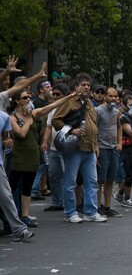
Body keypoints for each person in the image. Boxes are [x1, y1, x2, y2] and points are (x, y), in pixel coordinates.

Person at [9, 88, 74, 227]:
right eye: (24, 98)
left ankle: (25, 215)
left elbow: (51, 106)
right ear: (17, 101)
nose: (28, 100)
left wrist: (69, 97)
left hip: (33, 154)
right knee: (13, 186)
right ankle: (11, 215)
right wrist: (27, 119)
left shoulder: (32, 113)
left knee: (27, 186)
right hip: (19, 156)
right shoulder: (12, 117)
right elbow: (21, 133)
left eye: (28, 98)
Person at [51, 73, 107, 223]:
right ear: (76, 87)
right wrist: (70, 130)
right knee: (70, 182)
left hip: (89, 148)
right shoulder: (69, 101)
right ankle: (70, 212)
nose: (86, 87)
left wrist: (95, 145)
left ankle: (90, 212)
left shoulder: (89, 103)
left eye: (88, 85)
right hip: (74, 147)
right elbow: (56, 120)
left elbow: (94, 125)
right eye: (83, 85)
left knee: (92, 182)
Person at [0, 108, 34, 241]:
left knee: (6, 196)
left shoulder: (3, 116)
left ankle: (19, 230)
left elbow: (6, 137)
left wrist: (7, 141)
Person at [41, 83, 70, 212]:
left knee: (69, 176)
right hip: (54, 148)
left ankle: (73, 203)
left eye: (58, 94)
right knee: (53, 175)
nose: (55, 97)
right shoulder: (52, 109)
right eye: (54, 94)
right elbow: (48, 127)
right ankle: (57, 202)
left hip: (67, 148)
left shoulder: (70, 108)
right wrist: (45, 142)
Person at [95, 86, 123, 217]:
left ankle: (107, 207)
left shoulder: (116, 112)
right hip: (102, 148)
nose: (113, 98)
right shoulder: (98, 111)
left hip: (113, 149)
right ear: (105, 96)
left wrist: (119, 142)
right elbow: (94, 129)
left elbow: (119, 127)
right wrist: (95, 146)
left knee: (110, 179)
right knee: (100, 180)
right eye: (110, 96)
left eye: (115, 96)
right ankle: (97, 207)